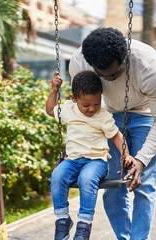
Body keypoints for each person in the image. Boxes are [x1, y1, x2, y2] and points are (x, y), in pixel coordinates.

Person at [69, 27, 156, 240]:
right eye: (103, 75)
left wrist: (141, 160)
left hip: (147, 116)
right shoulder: (79, 62)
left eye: (115, 73)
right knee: (112, 187)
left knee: (143, 185)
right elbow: (83, 109)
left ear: (124, 58)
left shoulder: (147, 66)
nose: (110, 79)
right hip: (109, 117)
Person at [46, 70, 135, 240]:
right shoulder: (68, 109)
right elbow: (50, 110)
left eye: (96, 103)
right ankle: (62, 220)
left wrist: (127, 155)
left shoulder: (103, 116)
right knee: (57, 176)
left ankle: (84, 225)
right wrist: (54, 90)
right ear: (74, 99)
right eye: (86, 105)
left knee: (86, 179)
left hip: (96, 162)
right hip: (72, 160)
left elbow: (117, 136)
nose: (92, 109)